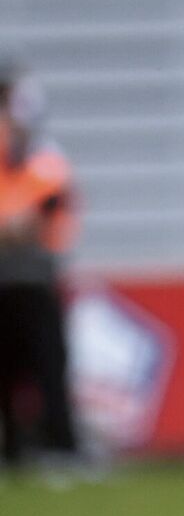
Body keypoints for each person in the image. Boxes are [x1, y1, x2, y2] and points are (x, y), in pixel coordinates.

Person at [0, 64, 80, 471]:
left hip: (35, 279)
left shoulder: (47, 161)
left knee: (50, 366)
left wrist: (16, 224)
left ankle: (61, 446)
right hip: (5, 282)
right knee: (7, 373)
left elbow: (42, 216)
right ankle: (12, 450)